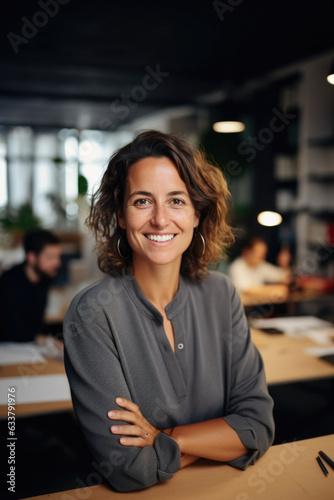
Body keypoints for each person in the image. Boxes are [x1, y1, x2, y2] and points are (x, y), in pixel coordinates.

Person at [64, 130, 274, 493]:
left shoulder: (222, 294)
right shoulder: (93, 314)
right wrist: (219, 438)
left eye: (176, 201)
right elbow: (128, 466)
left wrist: (164, 438)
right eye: (143, 201)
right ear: (122, 215)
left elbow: (258, 426)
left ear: (197, 214)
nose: (161, 220)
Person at [0, 229, 62, 343]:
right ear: (31, 258)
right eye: (50, 257)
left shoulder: (44, 278)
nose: (57, 263)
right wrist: (46, 340)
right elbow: (13, 331)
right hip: (9, 349)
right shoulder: (9, 282)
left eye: (58, 257)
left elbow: (37, 325)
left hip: (30, 347)